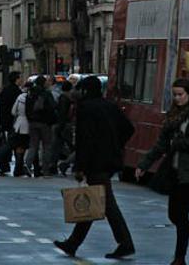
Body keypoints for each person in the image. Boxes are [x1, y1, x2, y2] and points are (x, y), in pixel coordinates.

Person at [136, 79, 189, 265]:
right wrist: (144, 164)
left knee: (180, 215)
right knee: (175, 215)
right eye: (175, 94)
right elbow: (161, 144)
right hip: (175, 170)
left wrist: (178, 143)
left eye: (181, 94)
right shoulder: (174, 114)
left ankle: (180, 258)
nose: (177, 98)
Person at [53, 75, 136, 260]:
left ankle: (125, 243)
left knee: (106, 204)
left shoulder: (85, 108)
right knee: (94, 200)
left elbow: (85, 140)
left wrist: (80, 167)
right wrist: (115, 144)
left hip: (94, 163)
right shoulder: (110, 105)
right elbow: (129, 128)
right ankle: (73, 243)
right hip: (110, 160)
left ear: (84, 90)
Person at [25, 74, 58, 177]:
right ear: (44, 83)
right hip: (45, 123)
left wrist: (30, 118)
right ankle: (45, 169)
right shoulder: (46, 93)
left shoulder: (30, 94)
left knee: (33, 146)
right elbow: (53, 106)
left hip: (33, 122)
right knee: (46, 146)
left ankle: (27, 164)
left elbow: (27, 108)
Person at [0, 72, 24, 175]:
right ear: (16, 79)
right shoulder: (17, 92)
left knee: (8, 143)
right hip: (15, 122)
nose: (21, 80)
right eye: (20, 78)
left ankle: (5, 165)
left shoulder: (5, 90)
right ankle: (18, 167)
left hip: (5, 121)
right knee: (15, 144)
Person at [10, 80, 32, 176]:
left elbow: (13, 111)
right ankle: (23, 166)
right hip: (29, 124)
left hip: (19, 124)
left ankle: (18, 167)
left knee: (18, 146)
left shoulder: (20, 97)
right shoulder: (32, 97)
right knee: (27, 146)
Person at [54, 79, 75, 176]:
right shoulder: (68, 99)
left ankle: (54, 164)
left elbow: (61, 113)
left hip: (63, 124)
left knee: (59, 145)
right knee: (68, 146)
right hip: (66, 125)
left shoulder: (63, 98)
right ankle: (63, 164)